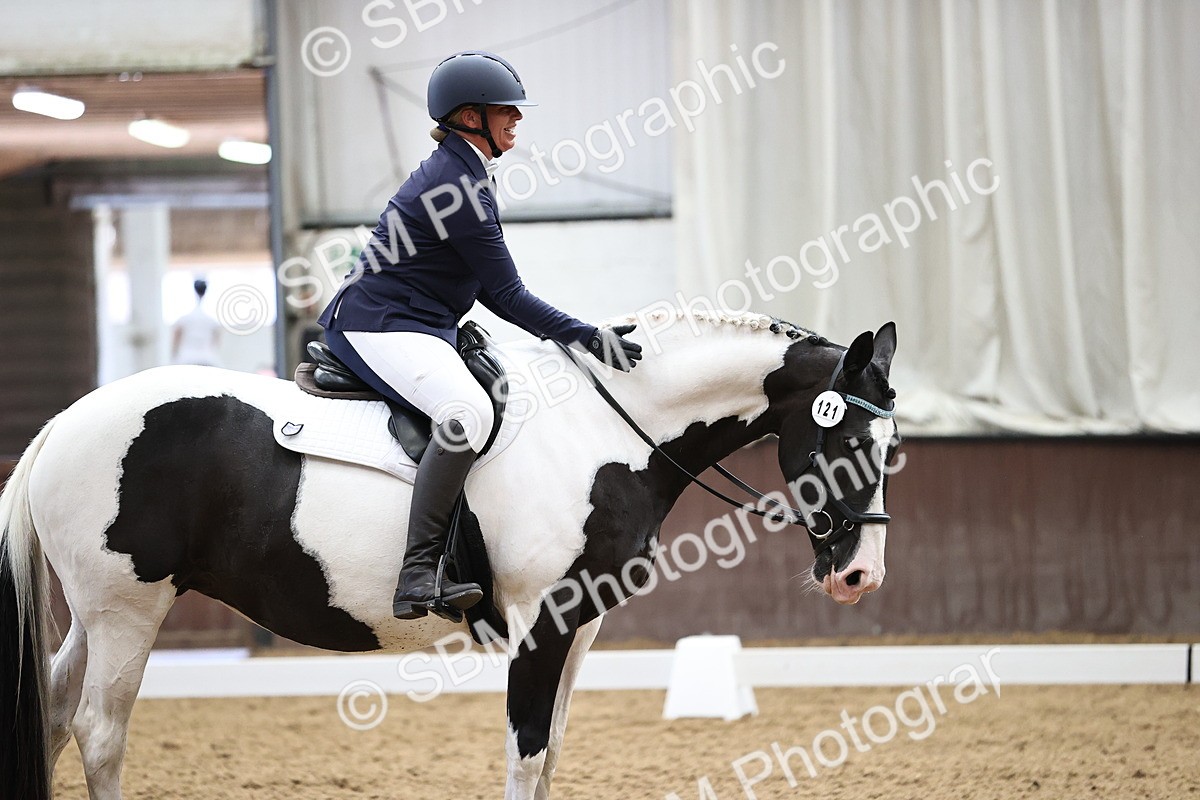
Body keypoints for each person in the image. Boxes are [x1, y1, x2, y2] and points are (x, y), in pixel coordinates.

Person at [317, 50, 642, 622]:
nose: (516, 120)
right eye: (505, 111)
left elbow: (491, 293)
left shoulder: (465, 173)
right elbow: (509, 295)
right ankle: (418, 574)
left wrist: (577, 334)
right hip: (380, 323)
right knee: (465, 413)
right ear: (470, 118)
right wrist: (587, 335)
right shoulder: (459, 186)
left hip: (419, 320)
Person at [172, 278, 222, 366]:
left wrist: (173, 357)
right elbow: (215, 342)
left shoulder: (184, 319)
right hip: (207, 358)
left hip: (187, 358)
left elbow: (176, 340)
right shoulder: (211, 321)